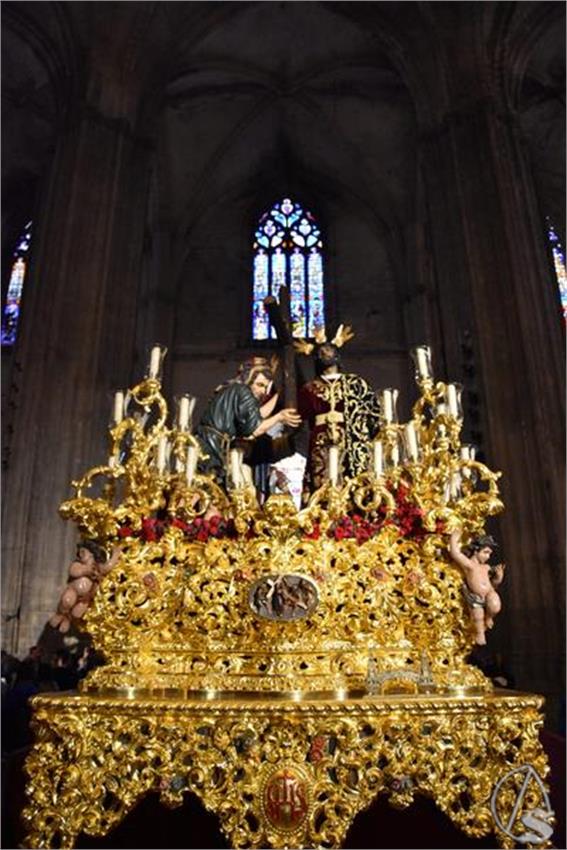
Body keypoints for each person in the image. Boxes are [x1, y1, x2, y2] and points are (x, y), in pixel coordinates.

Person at [295, 326, 381, 499]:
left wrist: (367, 433)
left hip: (349, 434)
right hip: (320, 437)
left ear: (336, 355)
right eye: (322, 352)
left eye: (329, 351)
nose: (326, 354)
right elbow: (301, 416)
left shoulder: (355, 383)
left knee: (349, 474)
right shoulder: (309, 388)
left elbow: (372, 411)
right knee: (321, 476)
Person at [195, 357, 301, 486]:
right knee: (210, 485)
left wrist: (278, 395)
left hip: (206, 440)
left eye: (265, 387)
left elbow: (255, 416)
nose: (263, 391)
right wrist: (279, 416)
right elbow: (255, 428)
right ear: (249, 379)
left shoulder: (233, 389)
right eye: (260, 385)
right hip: (213, 443)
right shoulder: (244, 391)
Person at [448, 529, 505, 645]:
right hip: (475, 596)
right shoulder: (470, 565)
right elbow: (456, 554)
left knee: (495, 605)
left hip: (489, 592)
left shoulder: (486, 567)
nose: (488, 557)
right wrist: (454, 538)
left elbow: (493, 583)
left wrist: (499, 578)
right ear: (475, 551)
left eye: (489, 554)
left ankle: (488, 617)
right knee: (478, 614)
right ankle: (480, 633)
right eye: (485, 552)